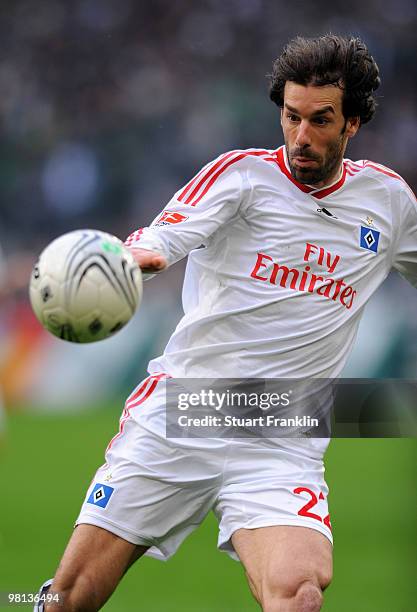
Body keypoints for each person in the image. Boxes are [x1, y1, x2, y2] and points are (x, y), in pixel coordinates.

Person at [35, 34, 416, 611]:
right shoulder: (241, 176)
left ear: (353, 124)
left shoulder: (389, 204)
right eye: (290, 117)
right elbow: (162, 233)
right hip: (185, 411)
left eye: (320, 120)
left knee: (300, 595)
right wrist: (136, 256)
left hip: (282, 433)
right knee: (71, 598)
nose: (300, 137)